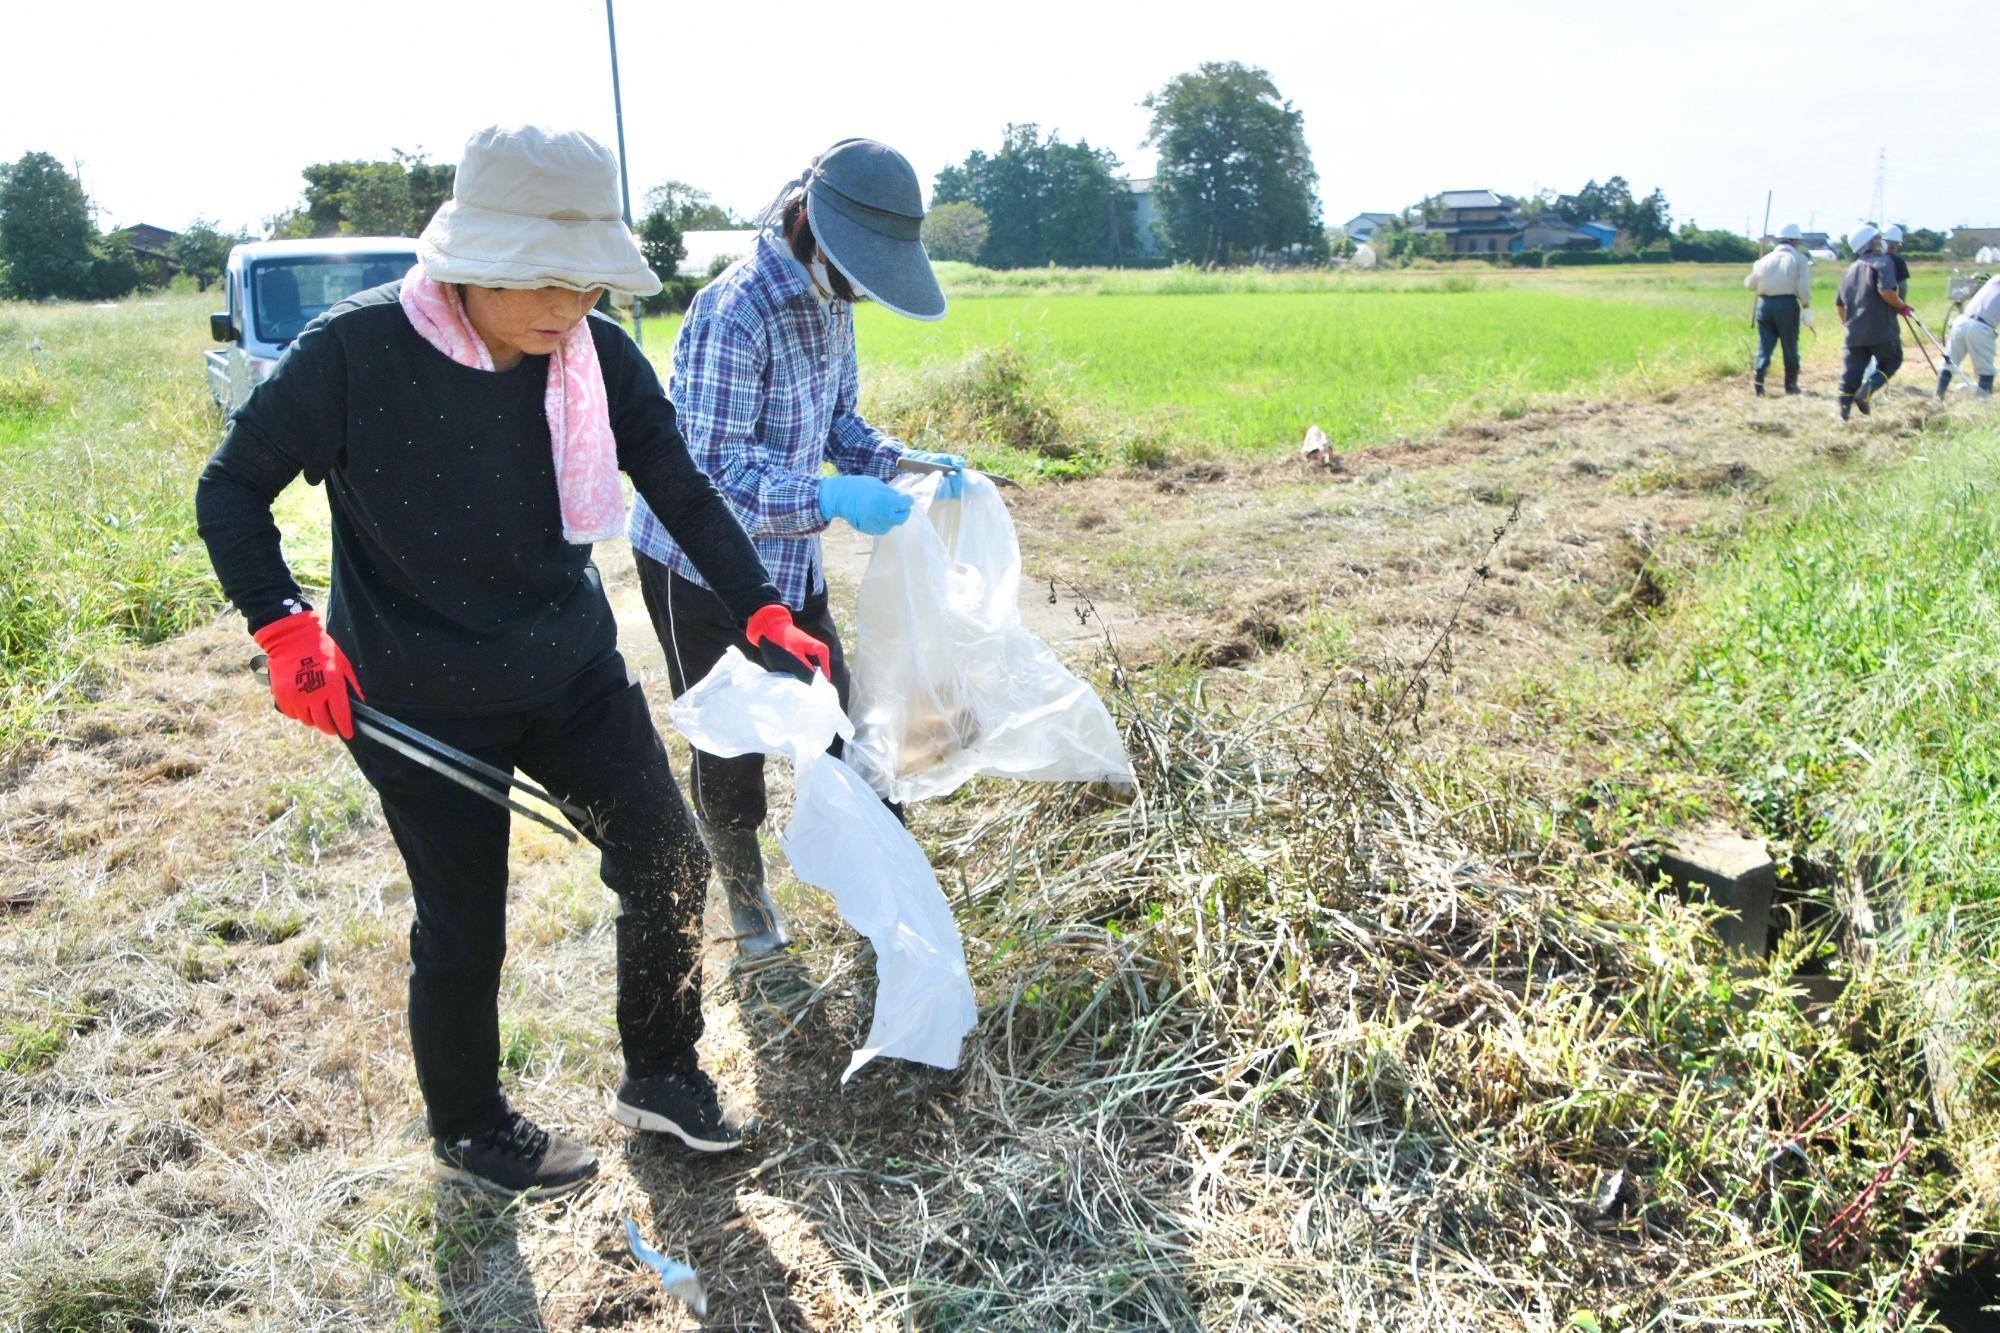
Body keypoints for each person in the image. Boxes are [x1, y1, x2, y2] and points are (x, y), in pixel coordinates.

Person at [194, 126, 835, 1199]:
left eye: (585, 282)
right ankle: (470, 1127)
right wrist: (284, 627)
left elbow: (678, 485)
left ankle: (663, 1073)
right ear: (469, 260)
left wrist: (759, 605)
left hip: (568, 668)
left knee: (668, 859)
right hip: (416, 690)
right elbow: (229, 489)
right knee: (465, 921)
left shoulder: (596, 356)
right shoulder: (353, 354)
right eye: (539, 278)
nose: (564, 305)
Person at [625, 138, 962, 956]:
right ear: (811, 223)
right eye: (859, 267)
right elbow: (709, 477)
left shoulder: (832, 303)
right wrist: (829, 497)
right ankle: (745, 893)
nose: (862, 289)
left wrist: (900, 464)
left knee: (840, 718)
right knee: (730, 740)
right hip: (697, 570)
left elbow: (841, 423)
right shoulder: (734, 309)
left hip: (789, 566)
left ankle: (882, 891)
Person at [1835, 224, 1919, 420]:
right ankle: (1867, 392)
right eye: (1879, 239)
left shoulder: (1848, 270)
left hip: (1853, 333)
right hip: (1881, 329)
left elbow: (1839, 305)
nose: (1882, 242)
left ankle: (1843, 415)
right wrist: (1902, 306)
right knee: (1892, 360)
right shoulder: (1883, 263)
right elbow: (1886, 291)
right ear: (1871, 243)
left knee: (1851, 375)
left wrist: (1847, 325)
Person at [1744, 223, 1813, 396]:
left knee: (1764, 346)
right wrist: (1806, 307)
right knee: (1790, 346)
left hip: (1765, 305)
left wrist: (1758, 267)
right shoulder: (1799, 259)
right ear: (1794, 241)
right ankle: (1791, 386)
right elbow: (1803, 286)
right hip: (1787, 305)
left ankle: (1759, 382)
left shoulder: (1764, 260)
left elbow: (1750, 284)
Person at [1936, 271, 1999, 399]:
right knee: (1986, 370)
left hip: (1961, 322)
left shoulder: (1996, 279)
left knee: (1949, 362)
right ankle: (1982, 403)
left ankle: (1938, 397)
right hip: (1981, 328)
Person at [1882, 224, 1912, 296]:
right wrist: (1901, 302)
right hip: (1889, 301)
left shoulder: (1870, 259)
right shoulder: (1898, 261)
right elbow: (1902, 287)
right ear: (1894, 245)